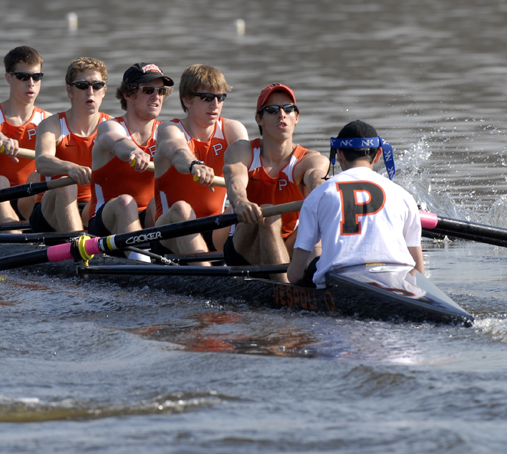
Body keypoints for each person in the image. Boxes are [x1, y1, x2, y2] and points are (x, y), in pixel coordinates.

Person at [287, 120, 424, 287]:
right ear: (378, 155)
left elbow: (294, 276)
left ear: (339, 155)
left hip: (339, 282)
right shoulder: (404, 196)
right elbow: (419, 270)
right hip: (397, 282)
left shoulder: (319, 195)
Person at [223, 83, 329, 277]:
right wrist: (240, 202)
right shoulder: (242, 151)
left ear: (296, 117)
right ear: (259, 119)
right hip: (244, 247)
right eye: (272, 110)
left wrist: (322, 195)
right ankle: (287, 291)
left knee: (318, 223)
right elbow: (234, 177)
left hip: (288, 246)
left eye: (288, 109)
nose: (282, 114)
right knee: (269, 215)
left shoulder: (311, 159)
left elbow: (316, 177)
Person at [152, 64, 248, 261]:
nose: (215, 104)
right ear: (187, 100)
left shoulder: (232, 129)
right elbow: (178, 150)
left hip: (215, 229)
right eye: (206, 98)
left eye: (220, 98)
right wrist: (195, 165)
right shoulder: (170, 129)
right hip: (169, 232)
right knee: (182, 208)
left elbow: (247, 162)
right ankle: (207, 275)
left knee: (247, 207)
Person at [88, 63, 172, 237]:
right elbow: (117, 142)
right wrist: (135, 151)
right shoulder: (110, 126)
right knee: (126, 202)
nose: (156, 96)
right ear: (128, 94)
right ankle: (140, 261)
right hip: (107, 220)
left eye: (161, 91)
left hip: (149, 217)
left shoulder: (166, 132)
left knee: (172, 206)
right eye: (148, 90)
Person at [30, 57, 111, 233]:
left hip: (92, 207)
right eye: (82, 86)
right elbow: (42, 161)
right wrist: (70, 168)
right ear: (70, 91)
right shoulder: (52, 125)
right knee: (65, 185)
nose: (90, 92)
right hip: (50, 209)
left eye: (97, 86)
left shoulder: (113, 126)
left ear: (103, 91)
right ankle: (80, 245)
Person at [0, 46, 49, 225]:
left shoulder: (48, 121)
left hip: (27, 200)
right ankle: (15, 235)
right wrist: (2, 140)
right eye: (23, 77)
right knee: (0, 181)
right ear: (9, 77)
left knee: (38, 178)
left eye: (36, 77)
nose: (31, 83)